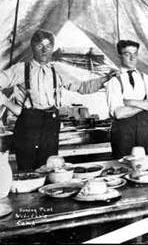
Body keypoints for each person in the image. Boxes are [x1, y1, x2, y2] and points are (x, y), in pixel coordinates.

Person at [0, 29, 117, 170]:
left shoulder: (57, 70)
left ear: (52, 48)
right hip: (28, 125)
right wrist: (7, 103)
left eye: (48, 46)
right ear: (32, 47)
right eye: (40, 46)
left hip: (51, 123)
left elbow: (83, 87)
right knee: (27, 169)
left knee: (50, 167)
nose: (44, 51)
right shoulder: (20, 69)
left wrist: (106, 78)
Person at [105, 40, 148, 158]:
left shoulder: (145, 78)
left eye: (135, 54)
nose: (132, 58)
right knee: (123, 166)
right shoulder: (114, 81)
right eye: (127, 54)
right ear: (119, 56)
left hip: (145, 129)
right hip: (123, 132)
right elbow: (119, 113)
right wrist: (145, 105)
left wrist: (131, 102)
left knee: (147, 165)